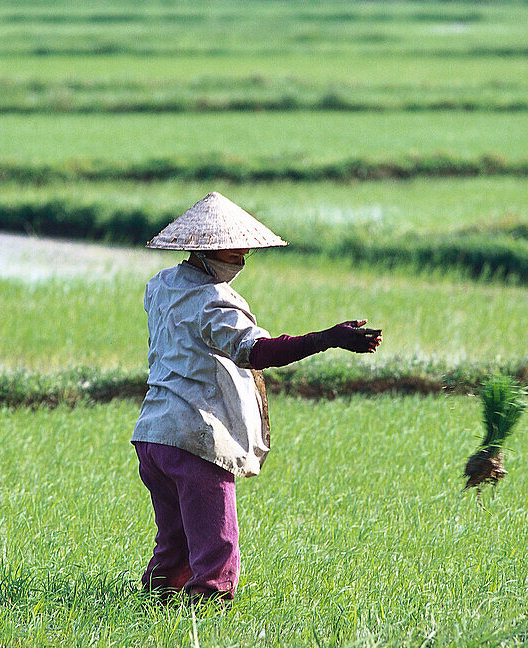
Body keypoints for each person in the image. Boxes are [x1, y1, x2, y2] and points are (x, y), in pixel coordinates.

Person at [131, 192, 382, 603]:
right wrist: (329, 338)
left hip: (154, 434)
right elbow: (258, 352)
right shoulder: (213, 301)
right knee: (216, 545)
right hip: (196, 436)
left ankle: (156, 602)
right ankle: (209, 608)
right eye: (234, 249)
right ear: (207, 249)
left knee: (174, 539)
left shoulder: (160, 286)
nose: (243, 258)